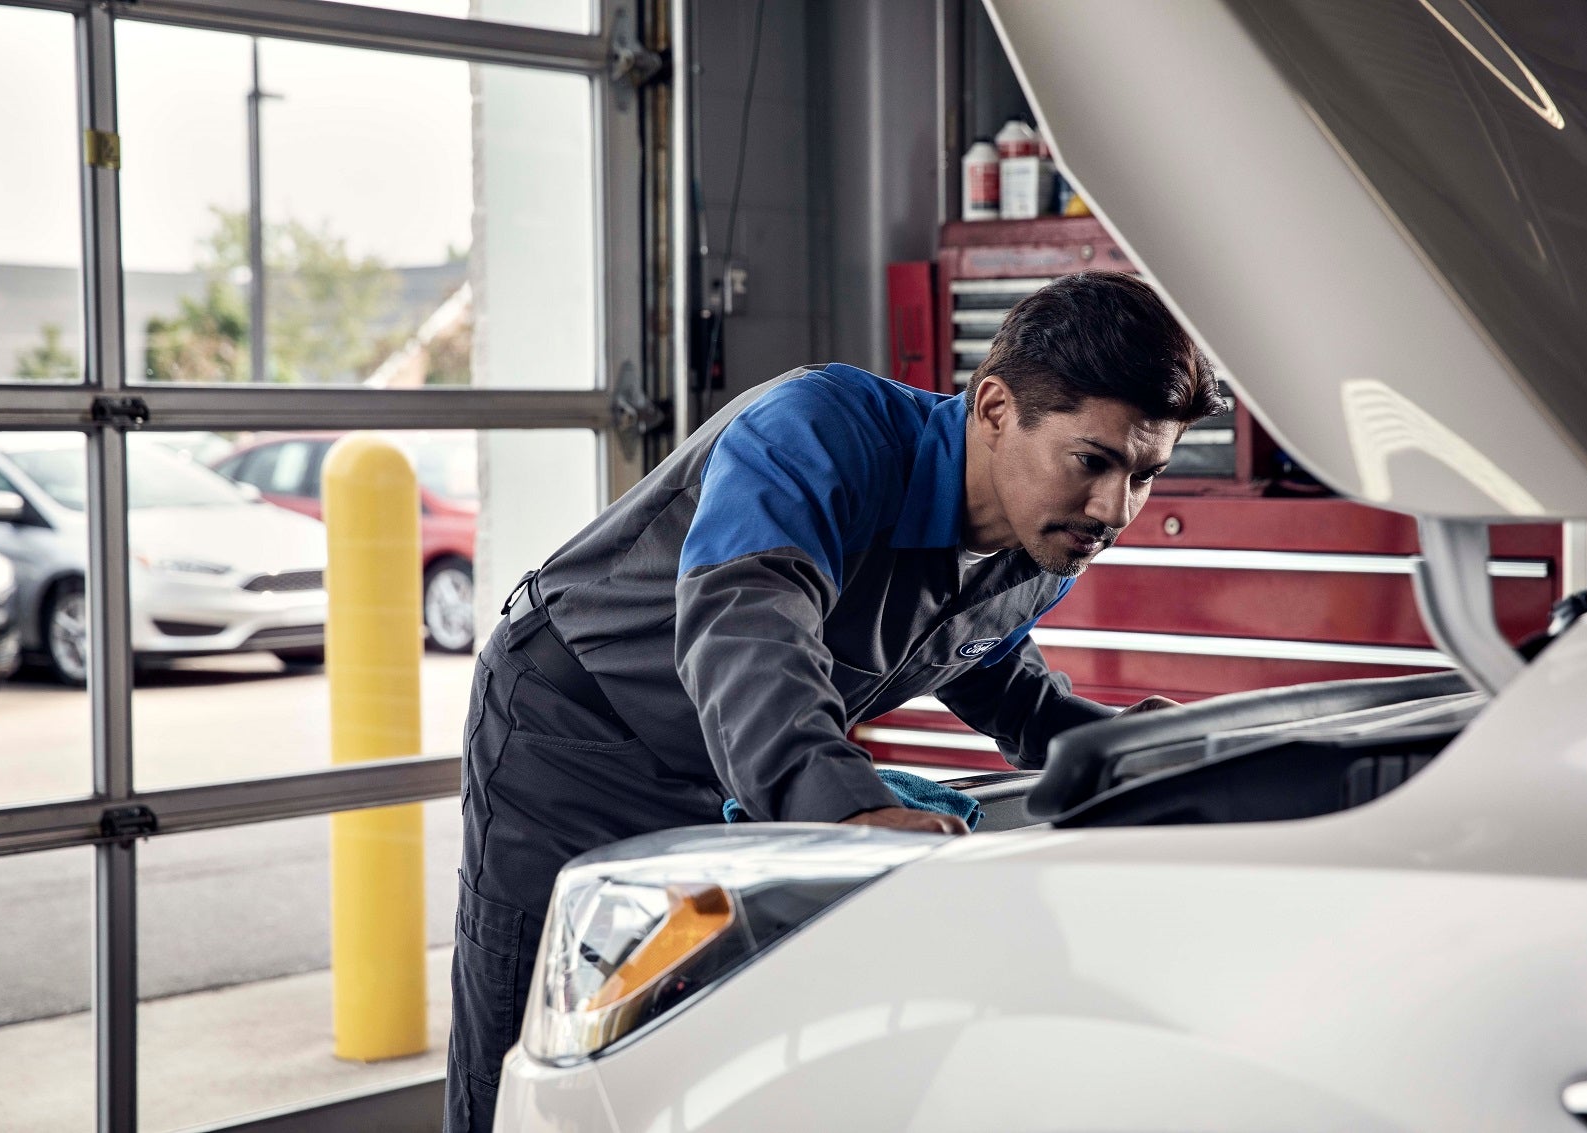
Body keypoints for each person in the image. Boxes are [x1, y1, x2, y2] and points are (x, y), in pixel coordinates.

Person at [444, 270, 1225, 1130]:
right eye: (1095, 461)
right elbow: (745, 627)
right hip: (569, 732)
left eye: (1146, 475)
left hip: (731, 757)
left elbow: (984, 663)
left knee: (679, 1040)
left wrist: (1106, 748)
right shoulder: (815, 432)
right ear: (997, 408)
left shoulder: (1040, 540)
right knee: (537, 1038)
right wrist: (850, 812)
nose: (1116, 509)